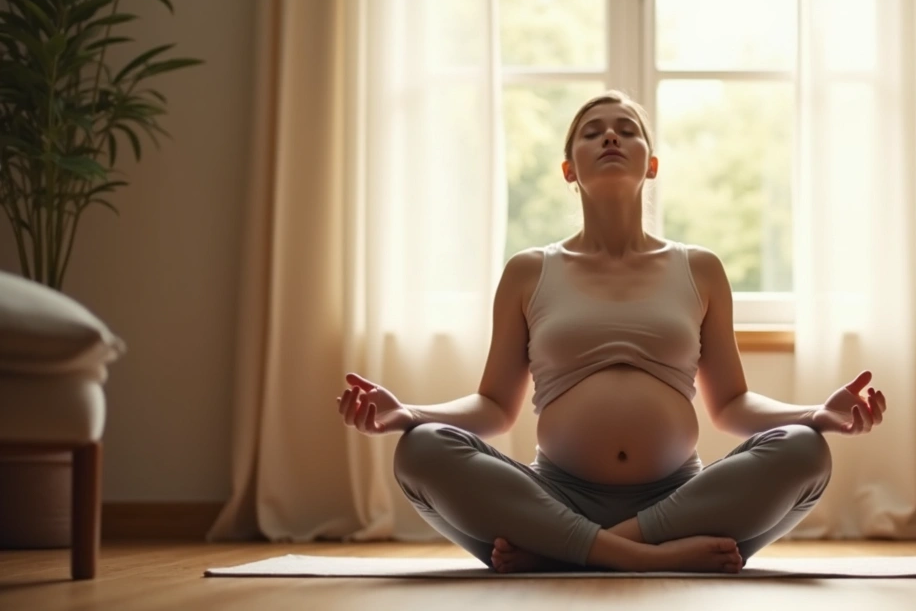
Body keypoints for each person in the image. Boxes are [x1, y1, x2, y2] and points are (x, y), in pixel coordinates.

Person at [335, 90, 888, 574]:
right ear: (568, 169)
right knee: (420, 451)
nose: (610, 138)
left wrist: (814, 415)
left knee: (807, 452)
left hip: (678, 500)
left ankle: (572, 553)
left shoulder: (700, 268)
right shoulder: (530, 270)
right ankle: (647, 556)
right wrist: (410, 414)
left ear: (651, 164)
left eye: (627, 130)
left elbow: (733, 405)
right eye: (592, 132)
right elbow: (494, 407)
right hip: (553, 497)